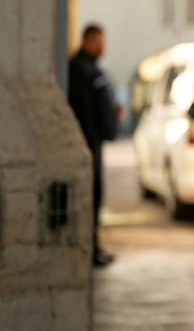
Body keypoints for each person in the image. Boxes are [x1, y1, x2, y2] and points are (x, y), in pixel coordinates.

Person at [68, 24, 118, 266]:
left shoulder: (91, 68)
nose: (102, 47)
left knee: (96, 196)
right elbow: (85, 111)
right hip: (89, 144)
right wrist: (88, 144)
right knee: (90, 195)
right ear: (86, 41)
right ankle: (89, 249)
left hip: (95, 143)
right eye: (98, 42)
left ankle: (93, 246)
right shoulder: (79, 69)